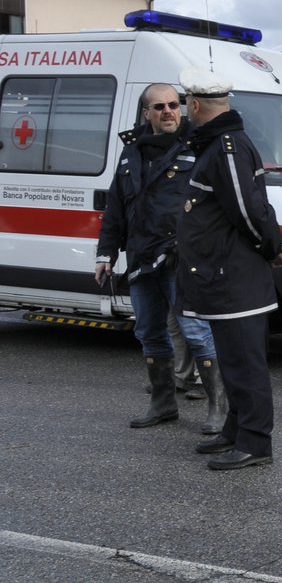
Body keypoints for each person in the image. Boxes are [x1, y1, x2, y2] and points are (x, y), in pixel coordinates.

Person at [177, 70, 282, 471]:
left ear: (194, 105)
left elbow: (246, 210)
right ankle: (235, 429)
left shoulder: (225, 147)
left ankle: (256, 442)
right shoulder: (221, 144)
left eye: (184, 105)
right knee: (232, 360)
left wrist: (270, 247)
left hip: (234, 275)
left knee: (245, 365)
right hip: (224, 274)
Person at [96, 84, 226, 435]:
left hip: (181, 257)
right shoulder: (131, 151)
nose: (168, 111)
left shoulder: (199, 146)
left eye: (173, 105)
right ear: (146, 113)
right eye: (159, 107)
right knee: (149, 332)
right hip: (141, 256)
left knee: (196, 332)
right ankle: (164, 403)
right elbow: (116, 207)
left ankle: (219, 407)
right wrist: (105, 253)